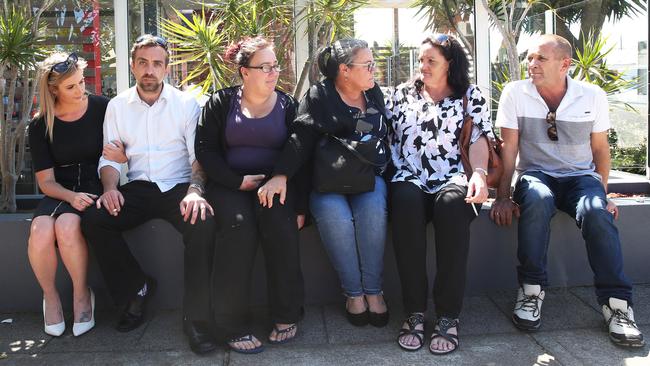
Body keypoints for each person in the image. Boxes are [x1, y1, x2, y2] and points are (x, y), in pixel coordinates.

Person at [490, 34, 644, 347]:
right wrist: (503, 196)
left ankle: (617, 306)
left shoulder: (592, 95)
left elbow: (600, 150)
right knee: (537, 198)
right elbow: (509, 149)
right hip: (535, 174)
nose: (531, 64)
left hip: (580, 177)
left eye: (540, 59)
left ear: (565, 64)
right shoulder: (515, 92)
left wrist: (602, 194)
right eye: (530, 58)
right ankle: (531, 291)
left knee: (596, 213)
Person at [81, 35, 219, 354]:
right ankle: (136, 288)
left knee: (204, 225)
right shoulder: (118, 106)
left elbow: (197, 158)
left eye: (157, 64)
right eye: (143, 63)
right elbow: (109, 158)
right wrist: (110, 188)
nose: (149, 70)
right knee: (94, 219)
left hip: (179, 187)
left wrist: (196, 192)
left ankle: (196, 319)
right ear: (132, 66)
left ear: (167, 68)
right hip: (140, 187)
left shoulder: (186, 105)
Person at [259, 38, 389, 328]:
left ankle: (374, 291)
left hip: (366, 177)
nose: (373, 69)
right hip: (326, 181)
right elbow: (301, 139)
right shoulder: (319, 96)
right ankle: (354, 294)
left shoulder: (373, 93)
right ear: (344, 70)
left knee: (374, 208)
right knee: (336, 217)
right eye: (367, 64)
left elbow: (379, 133)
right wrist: (281, 175)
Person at [195, 36, 305, 354]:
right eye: (265, 67)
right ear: (245, 72)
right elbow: (205, 149)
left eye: (275, 66)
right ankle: (230, 323)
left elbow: (298, 150)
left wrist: (296, 202)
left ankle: (286, 315)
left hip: (274, 186)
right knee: (238, 228)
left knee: (281, 228)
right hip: (229, 186)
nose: (273, 72)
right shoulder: (220, 103)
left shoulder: (287, 105)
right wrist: (235, 181)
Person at [385, 34, 491, 355]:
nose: (423, 66)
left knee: (452, 206)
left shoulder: (471, 96)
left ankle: (447, 316)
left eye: (431, 60)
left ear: (450, 63)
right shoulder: (403, 94)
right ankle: (415, 311)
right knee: (403, 203)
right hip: (409, 177)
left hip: (454, 178)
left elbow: (479, 139)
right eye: (421, 60)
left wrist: (481, 176)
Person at [28, 52, 126, 337]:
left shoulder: (102, 108)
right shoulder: (40, 124)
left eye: (82, 82)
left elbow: (123, 150)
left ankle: (82, 295)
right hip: (60, 190)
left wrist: (121, 156)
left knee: (68, 226)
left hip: (95, 183)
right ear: (53, 89)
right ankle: (51, 298)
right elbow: (46, 181)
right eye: (71, 86)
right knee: (41, 230)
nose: (81, 90)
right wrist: (70, 197)